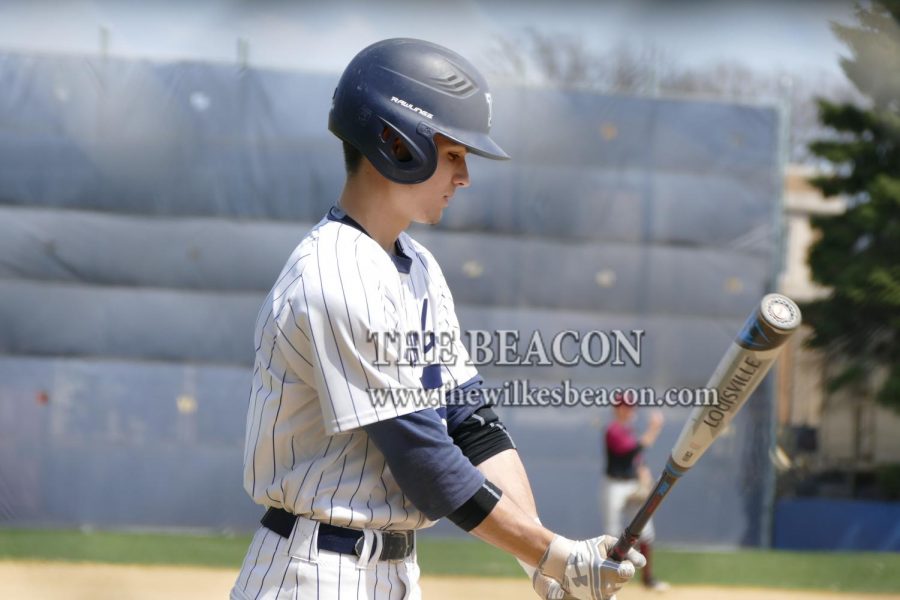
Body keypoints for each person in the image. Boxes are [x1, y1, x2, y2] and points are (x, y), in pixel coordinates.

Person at [230, 38, 644, 600]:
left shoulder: (417, 267)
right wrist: (556, 555)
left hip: (394, 572)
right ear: (396, 144)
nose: (465, 176)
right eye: (453, 154)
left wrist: (541, 563)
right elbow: (424, 462)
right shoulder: (335, 274)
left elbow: (471, 423)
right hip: (314, 573)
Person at [603, 394, 668, 592]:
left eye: (632, 406)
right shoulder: (613, 430)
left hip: (632, 484)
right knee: (612, 533)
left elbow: (637, 458)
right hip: (614, 486)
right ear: (618, 408)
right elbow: (631, 450)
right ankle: (605, 580)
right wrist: (654, 429)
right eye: (626, 406)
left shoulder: (630, 430)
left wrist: (643, 471)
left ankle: (647, 579)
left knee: (646, 532)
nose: (630, 410)